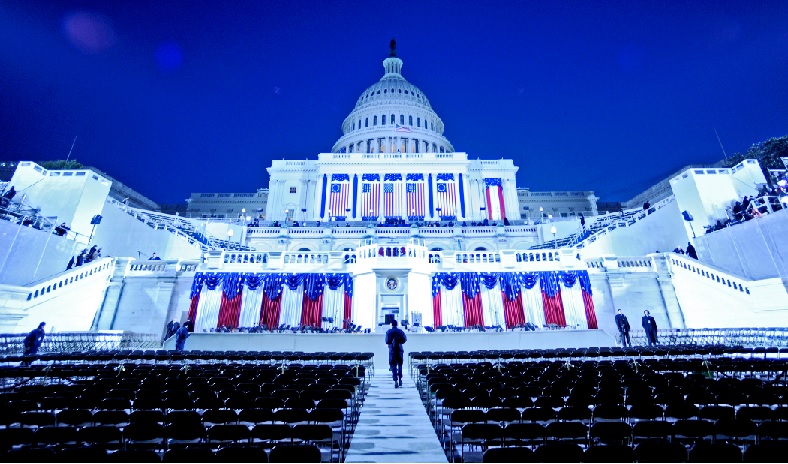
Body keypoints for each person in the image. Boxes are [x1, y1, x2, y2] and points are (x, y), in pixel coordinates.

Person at [385, 320, 407, 388]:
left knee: (393, 365)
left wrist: (390, 343)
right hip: (400, 349)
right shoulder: (400, 331)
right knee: (400, 364)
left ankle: (395, 381)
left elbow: (387, 341)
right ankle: (400, 379)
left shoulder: (389, 331)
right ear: (397, 324)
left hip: (392, 350)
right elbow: (405, 339)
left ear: (391, 324)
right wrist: (399, 342)